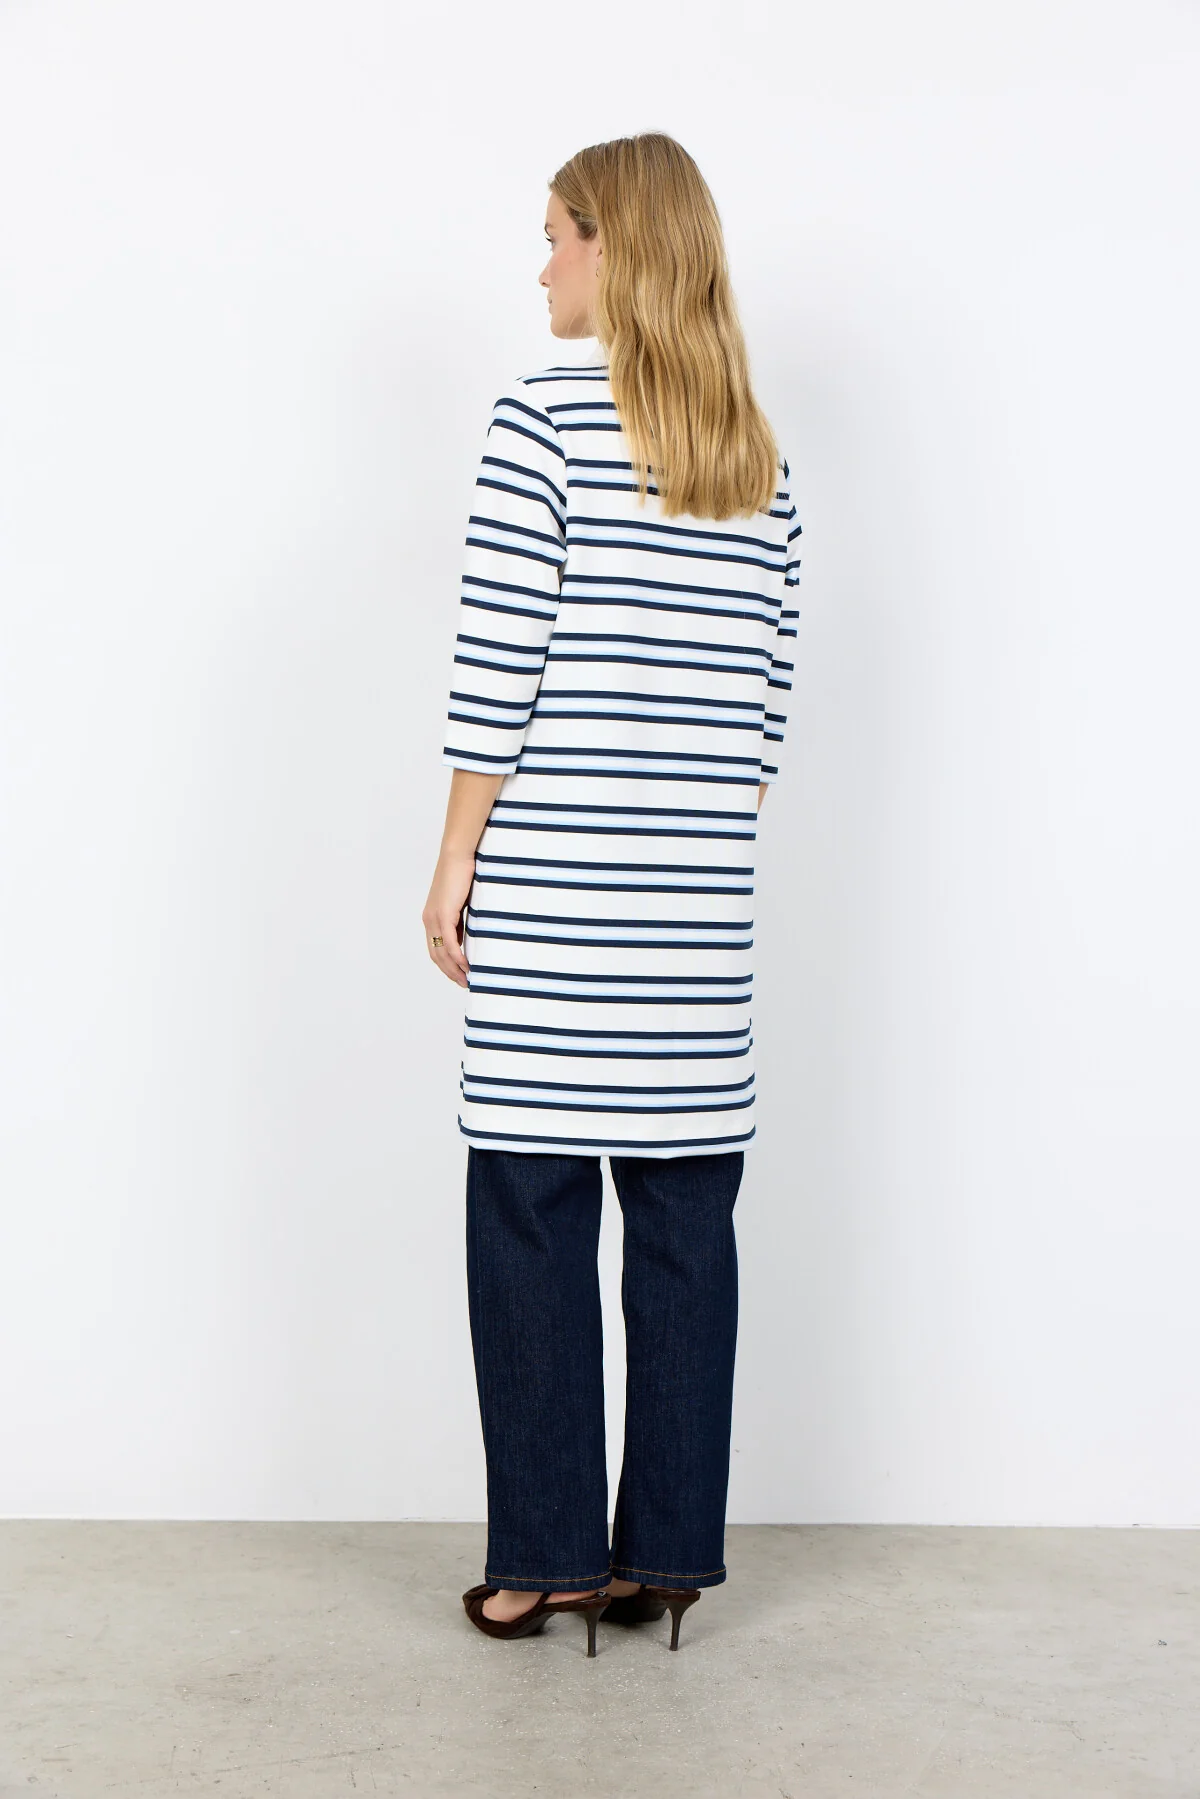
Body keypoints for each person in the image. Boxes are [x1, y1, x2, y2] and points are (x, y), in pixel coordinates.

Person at [422, 132, 800, 1657]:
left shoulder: (544, 422)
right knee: (685, 1221)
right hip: (694, 924)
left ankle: (545, 1560)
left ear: (615, 246)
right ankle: (668, 1559)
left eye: (557, 236)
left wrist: (457, 854)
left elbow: (495, 665)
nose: (541, 270)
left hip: (560, 901)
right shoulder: (755, 458)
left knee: (528, 1207)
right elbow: (764, 724)